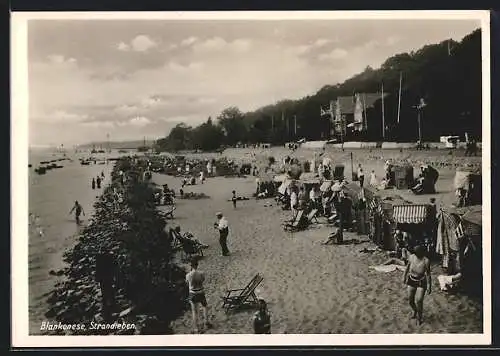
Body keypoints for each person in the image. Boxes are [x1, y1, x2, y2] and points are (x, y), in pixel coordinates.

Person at [403, 245, 431, 325]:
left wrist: (429, 285)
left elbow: (428, 274)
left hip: (421, 281)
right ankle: (414, 310)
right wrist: (404, 277)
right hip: (412, 279)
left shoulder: (426, 261)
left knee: (419, 300)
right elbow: (407, 268)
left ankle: (419, 317)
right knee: (410, 300)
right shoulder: (411, 257)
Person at [185, 259, 212, 333]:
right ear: (197, 265)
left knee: (194, 311)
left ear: (191, 266)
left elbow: (187, 283)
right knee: (205, 306)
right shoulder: (201, 273)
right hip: (200, 292)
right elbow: (202, 280)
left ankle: (196, 328)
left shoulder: (188, 275)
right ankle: (206, 322)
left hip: (193, 293)